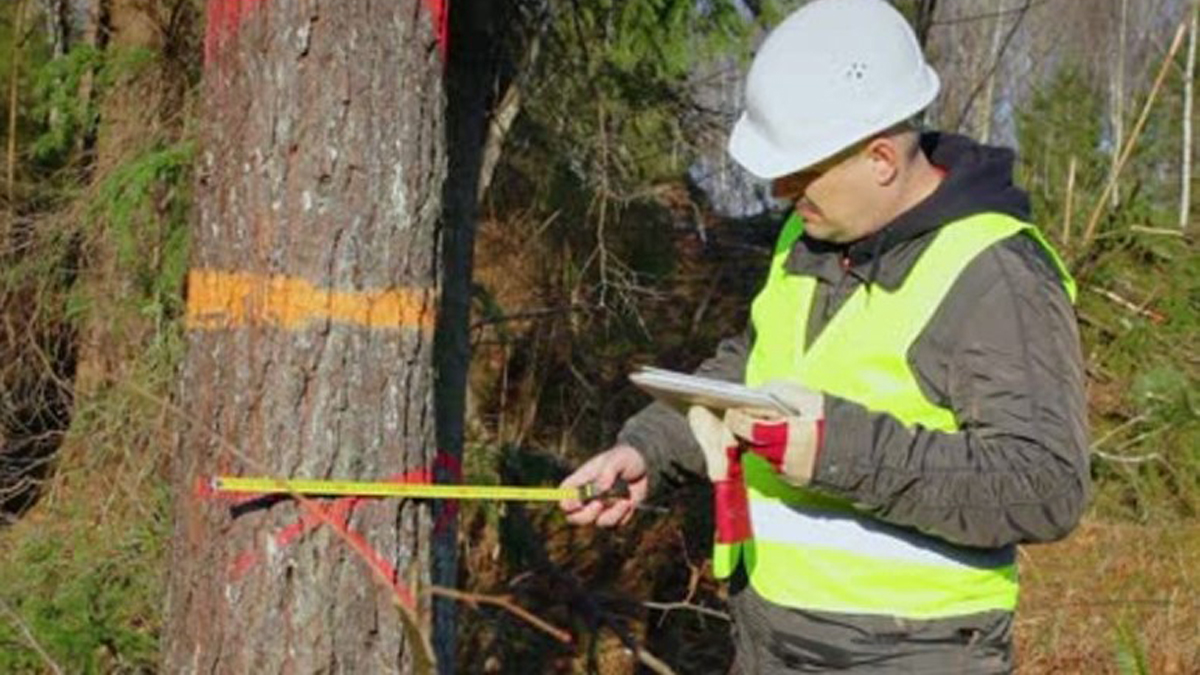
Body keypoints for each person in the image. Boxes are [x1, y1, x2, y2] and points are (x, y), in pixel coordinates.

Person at [559, 0, 1090, 672]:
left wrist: (837, 451)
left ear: (881, 159)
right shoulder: (810, 233)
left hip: (910, 655)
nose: (782, 191)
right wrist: (649, 447)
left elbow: (1044, 484)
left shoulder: (996, 273)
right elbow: (755, 369)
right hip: (767, 638)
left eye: (801, 171)